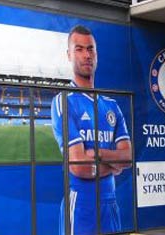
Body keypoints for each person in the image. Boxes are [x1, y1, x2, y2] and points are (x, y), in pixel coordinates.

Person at [51, 25, 132, 235]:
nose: (87, 55)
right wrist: (114, 165)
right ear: (69, 55)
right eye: (79, 49)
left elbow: (128, 157)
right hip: (80, 205)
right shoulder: (64, 101)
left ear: (97, 54)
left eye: (91, 49)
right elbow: (79, 166)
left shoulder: (111, 105)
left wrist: (97, 154)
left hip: (110, 203)